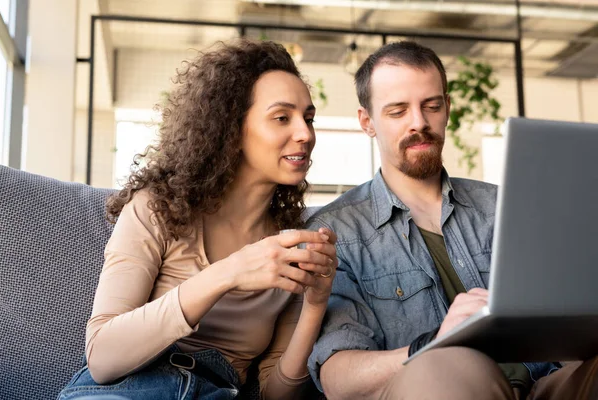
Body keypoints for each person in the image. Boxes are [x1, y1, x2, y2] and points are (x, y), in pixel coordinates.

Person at [306, 40, 598, 400]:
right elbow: (337, 378)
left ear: (447, 108)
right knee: (448, 366)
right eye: (398, 111)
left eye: (431, 106)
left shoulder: (502, 206)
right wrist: (434, 344)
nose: (419, 123)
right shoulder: (337, 231)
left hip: (541, 384)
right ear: (367, 122)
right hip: (427, 386)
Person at [58, 39, 338, 400]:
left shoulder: (293, 243)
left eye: (309, 118)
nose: (305, 134)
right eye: (282, 117)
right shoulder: (157, 209)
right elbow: (103, 358)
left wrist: (315, 305)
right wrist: (229, 273)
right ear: (232, 129)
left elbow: (275, 393)